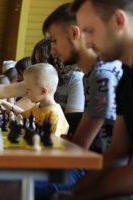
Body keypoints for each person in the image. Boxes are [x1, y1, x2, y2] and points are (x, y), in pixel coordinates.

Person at [51, 0, 133, 199]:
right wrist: (73, 192)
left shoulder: (106, 74)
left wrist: (80, 196)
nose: (86, 43)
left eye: (89, 31)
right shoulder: (126, 76)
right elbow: (117, 153)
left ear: (118, 21)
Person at [0, 38, 84, 113]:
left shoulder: (76, 80)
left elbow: (71, 121)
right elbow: (4, 90)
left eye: (41, 60)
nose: (37, 65)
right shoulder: (39, 80)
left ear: (55, 59)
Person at [20, 63, 69, 137]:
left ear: (43, 91)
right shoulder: (36, 107)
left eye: (28, 89)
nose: (26, 92)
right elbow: (22, 115)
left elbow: (54, 143)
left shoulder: (55, 115)